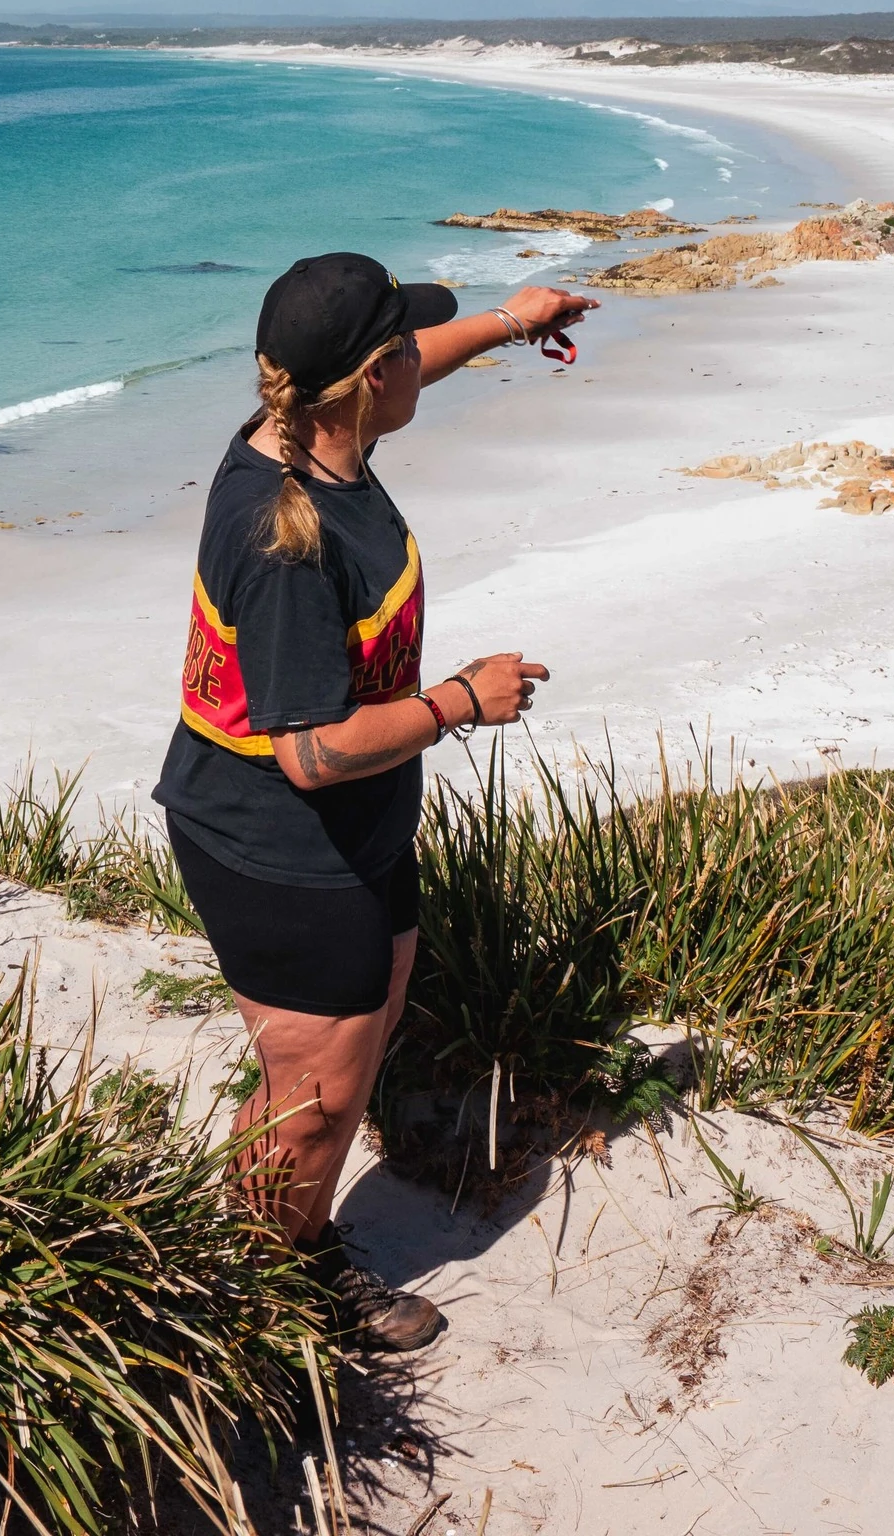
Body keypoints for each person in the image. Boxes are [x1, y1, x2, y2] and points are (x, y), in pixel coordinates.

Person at [153, 252, 597, 1351]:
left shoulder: (312, 430)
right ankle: (270, 1285)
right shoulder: (288, 539)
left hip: (355, 826)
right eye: (405, 345)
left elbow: (413, 367)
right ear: (368, 379)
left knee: (366, 1026)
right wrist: (459, 699)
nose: (418, 355)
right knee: (313, 1095)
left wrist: (507, 321)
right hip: (278, 843)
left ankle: (278, 1243)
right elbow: (308, 748)